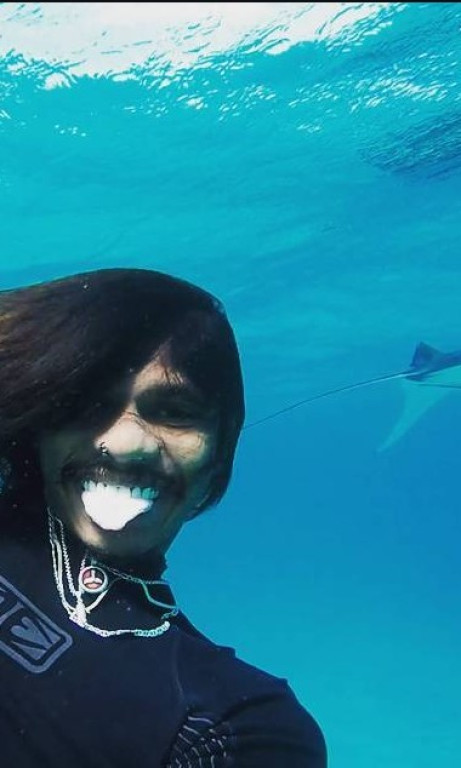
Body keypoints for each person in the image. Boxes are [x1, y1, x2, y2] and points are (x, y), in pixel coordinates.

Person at [0, 268, 327, 767]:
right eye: (88, 404)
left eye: (175, 412)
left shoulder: (231, 725)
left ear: (219, 451)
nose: (127, 444)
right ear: (42, 424)